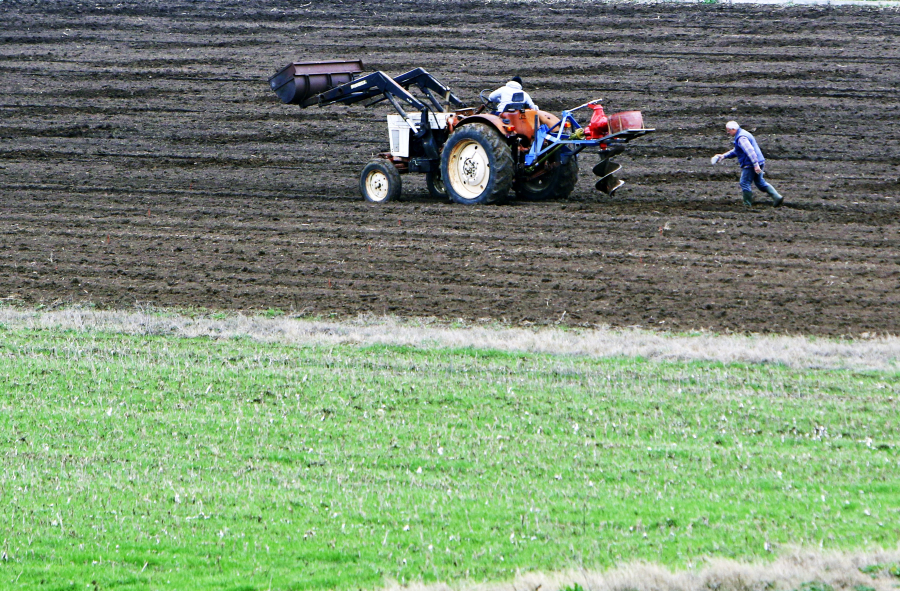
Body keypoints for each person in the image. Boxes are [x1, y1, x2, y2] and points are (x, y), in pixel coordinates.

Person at [712, 121, 784, 207]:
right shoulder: (743, 133)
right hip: (760, 161)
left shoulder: (741, 138)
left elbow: (750, 151)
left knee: (744, 182)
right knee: (760, 182)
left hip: (750, 164)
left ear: (734, 129)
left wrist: (755, 165)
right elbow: (737, 150)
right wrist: (723, 156)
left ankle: (747, 205)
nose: (728, 132)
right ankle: (777, 197)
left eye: (728, 130)